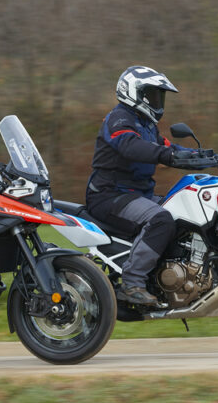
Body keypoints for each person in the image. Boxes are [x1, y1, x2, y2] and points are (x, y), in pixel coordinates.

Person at [85, 65, 202, 306]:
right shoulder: (119, 119)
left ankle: (166, 279)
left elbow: (170, 149)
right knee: (160, 219)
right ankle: (132, 282)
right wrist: (167, 155)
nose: (157, 101)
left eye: (159, 96)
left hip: (139, 195)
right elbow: (131, 146)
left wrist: (208, 157)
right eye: (152, 94)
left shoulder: (147, 126)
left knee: (187, 211)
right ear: (133, 93)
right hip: (110, 196)